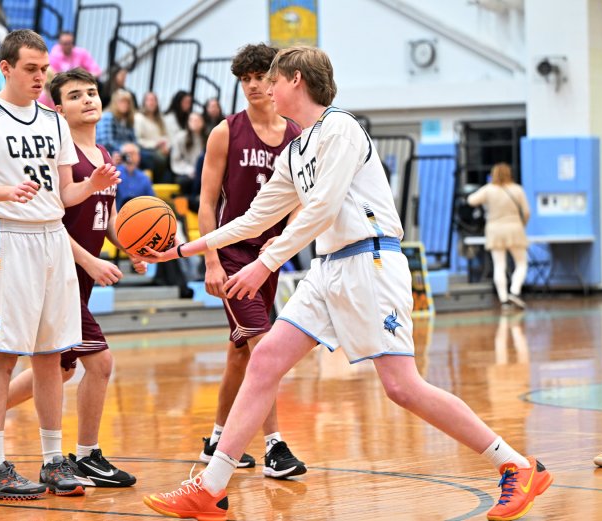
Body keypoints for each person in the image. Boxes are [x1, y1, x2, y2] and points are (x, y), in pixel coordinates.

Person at [141, 46, 552, 521]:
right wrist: (183, 249)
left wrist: (264, 264)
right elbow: (255, 217)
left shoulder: (342, 128)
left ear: (295, 79)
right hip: (328, 269)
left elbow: (323, 209)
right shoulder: (297, 149)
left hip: (369, 263)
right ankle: (210, 488)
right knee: (265, 360)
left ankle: (515, 465)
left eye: (272, 80)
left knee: (402, 387)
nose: (266, 90)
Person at [0, 29, 119, 500]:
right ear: (5, 68)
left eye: (44, 69)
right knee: (3, 355)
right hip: (8, 237)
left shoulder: (53, 120)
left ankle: (52, 460)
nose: (41, 77)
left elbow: (64, 194)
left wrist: (93, 184)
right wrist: (3, 191)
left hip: (51, 238)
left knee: (50, 355)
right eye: (30, 69)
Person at [195, 43, 305, 480]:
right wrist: (211, 262)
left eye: (261, 76)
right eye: (246, 79)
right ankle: (275, 447)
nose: (254, 85)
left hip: (269, 256)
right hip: (234, 254)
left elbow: (301, 200)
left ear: (277, 78)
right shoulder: (225, 132)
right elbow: (206, 204)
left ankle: (217, 439)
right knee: (265, 349)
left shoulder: (296, 135)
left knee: (239, 356)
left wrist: (283, 246)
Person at [467, 163, 530, 311]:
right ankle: (514, 291)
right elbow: (527, 212)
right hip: (515, 227)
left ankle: (503, 300)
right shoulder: (517, 189)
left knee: (499, 265)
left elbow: (471, 200)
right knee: (521, 263)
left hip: (494, 229)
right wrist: (522, 224)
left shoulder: (489, 190)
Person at [134, 91, 170, 182]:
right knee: (159, 159)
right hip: (146, 149)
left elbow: (166, 136)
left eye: (154, 100)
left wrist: (165, 146)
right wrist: (155, 144)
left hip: (161, 149)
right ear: (144, 102)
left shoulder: (160, 119)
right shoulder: (139, 118)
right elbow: (137, 139)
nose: (151, 102)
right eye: (149, 100)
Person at [170, 111, 205, 195]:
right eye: (192, 120)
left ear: (203, 122)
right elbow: (176, 159)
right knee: (183, 181)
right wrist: (189, 170)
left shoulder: (208, 137)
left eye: (197, 120)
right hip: (186, 171)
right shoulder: (180, 137)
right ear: (188, 122)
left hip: (204, 172)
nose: (195, 122)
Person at [96, 88, 137, 155]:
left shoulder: (128, 119)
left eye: (127, 102)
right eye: (122, 101)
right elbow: (106, 142)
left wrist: (134, 148)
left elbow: (134, 140)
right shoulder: (108, 117)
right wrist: (123, 148)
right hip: (107, 153)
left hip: (126, 153)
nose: (125, 104)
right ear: (115, 103)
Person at [115, 142, 155, 209]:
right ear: (121, 156)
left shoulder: (144, 178)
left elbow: (152, 202)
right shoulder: (115, 173)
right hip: (118, 215)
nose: (129, 156)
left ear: (138, 156)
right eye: (126, 154)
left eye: (132, 153)